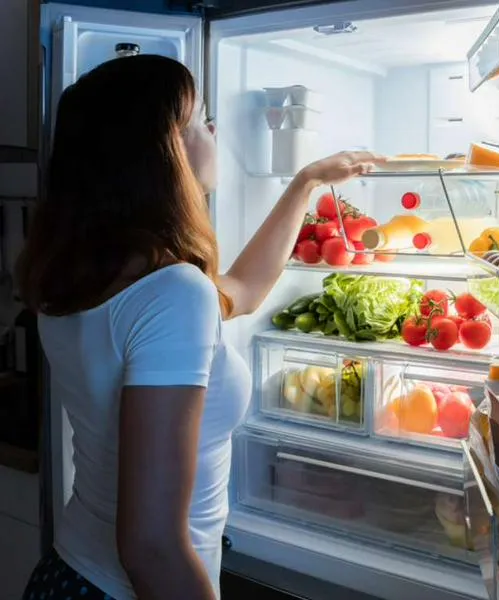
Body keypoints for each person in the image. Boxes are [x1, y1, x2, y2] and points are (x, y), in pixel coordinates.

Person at [18, 54, 383, 600]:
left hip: (68, 573)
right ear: (164, 152)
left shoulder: (73, 272)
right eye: (200, 120)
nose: (214, 131)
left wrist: (306, 182)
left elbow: (242, 288)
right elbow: (150, 546)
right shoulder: (172, 292)